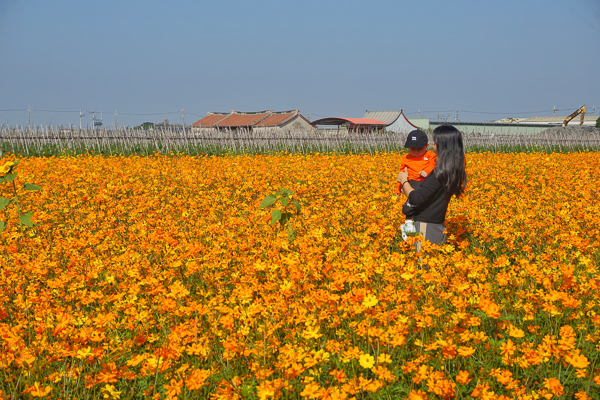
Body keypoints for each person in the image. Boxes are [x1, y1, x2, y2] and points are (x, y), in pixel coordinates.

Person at [397, 124, 467, 249]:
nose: (433, 146)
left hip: (426, 227)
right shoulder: (450, 170)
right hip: (436, 225)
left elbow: (416, 198)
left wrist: (404, 181)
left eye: (435, 143)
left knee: (423, 265)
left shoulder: (439, 173)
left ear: (444, 146)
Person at [395, 129, 437, 195]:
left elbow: (433, 165)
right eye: (413, 149)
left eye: (420, 149)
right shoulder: (406, 159)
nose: (416, 152)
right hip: (411, 183)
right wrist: (398, 189)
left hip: (426, 182)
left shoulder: (430, 155)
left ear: (426, 146)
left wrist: (426, 171)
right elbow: (401, 175)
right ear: (408, 148)